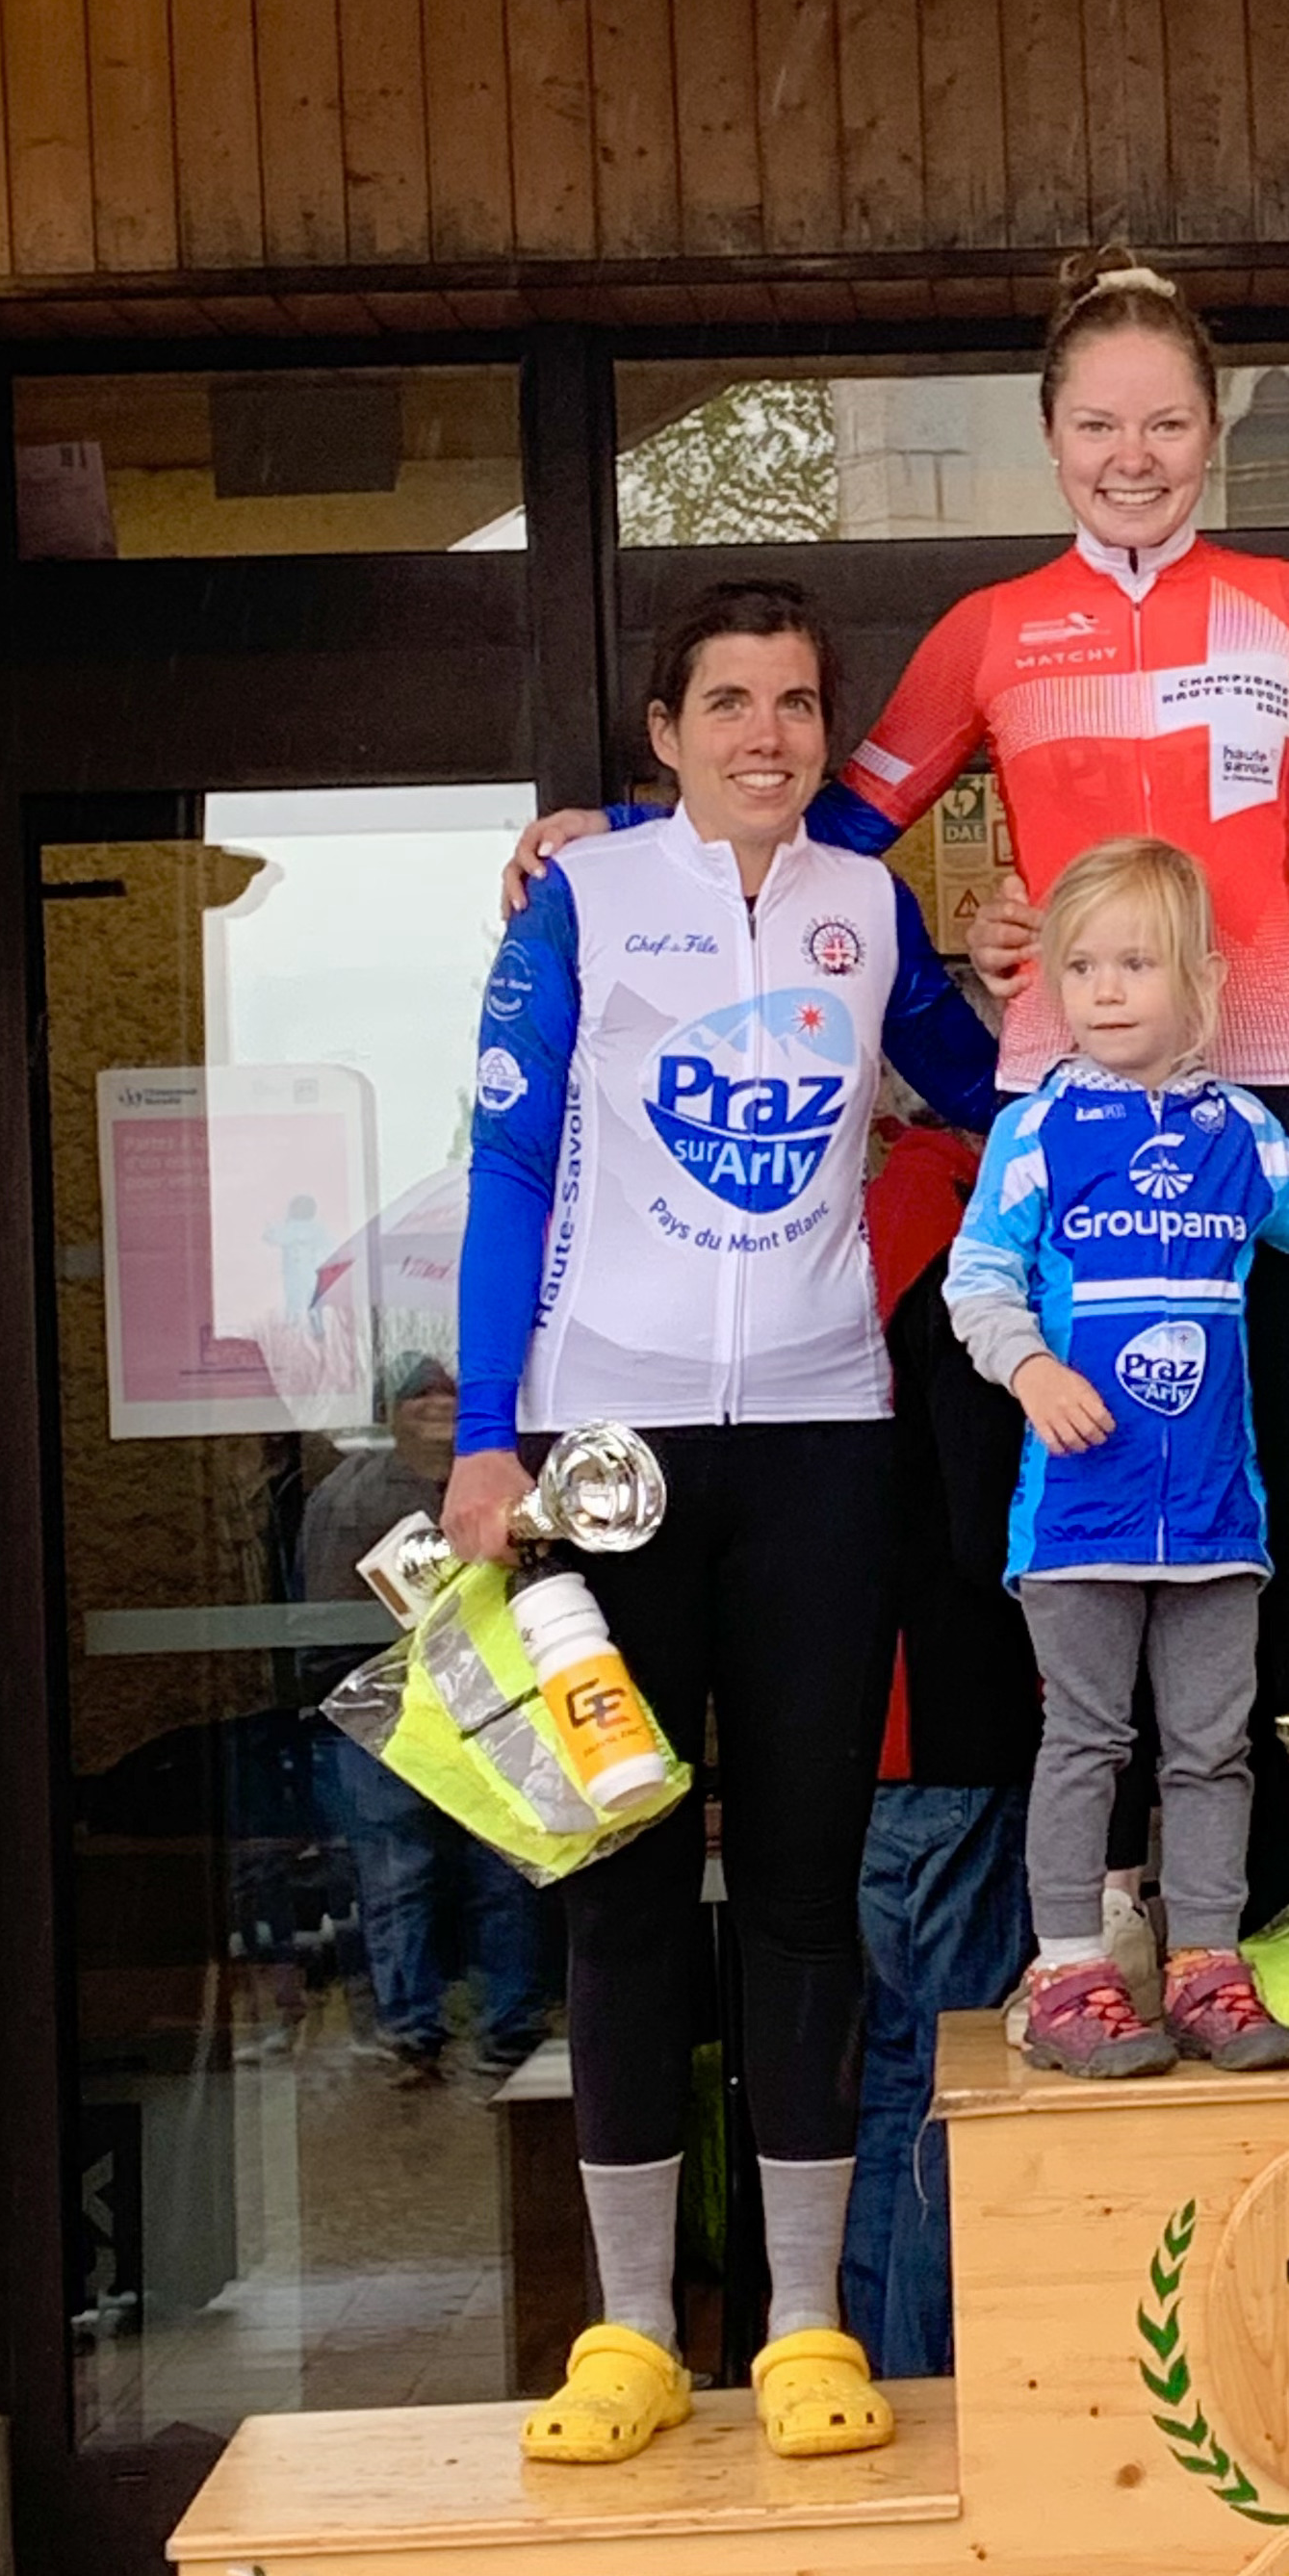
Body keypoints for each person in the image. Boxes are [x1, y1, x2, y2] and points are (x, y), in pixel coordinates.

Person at [503, 249, 1289, 1918]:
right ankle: (1104, 1911)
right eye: (1098, 424)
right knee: (1068, 1521)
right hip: (1061, 1116)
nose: (1133, 455)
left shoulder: (1288, 612)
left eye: (1165, 421)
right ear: (1048, 435)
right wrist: (617, 833)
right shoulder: (987, 635)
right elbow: (813, 839)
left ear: (1212, 429)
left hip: (1277, 1098)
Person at [449, 577, 998, 2463]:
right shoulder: (582, 901)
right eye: (728, 703)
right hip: (604, 1447)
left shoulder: (866, 906)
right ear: (663, 733)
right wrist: (484, 1429)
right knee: (611, 1887)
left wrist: (1041, 969)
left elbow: (986, 1079)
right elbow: (511, 1162)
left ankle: (800, 2319)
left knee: (798, 1885)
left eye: (793, 705)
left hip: (822, 1443)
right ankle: (623, 2333)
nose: (765, 733)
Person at [943, 837, 1289, 2078]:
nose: (1105, 988)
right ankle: (1074, 1968)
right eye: (1080, 966)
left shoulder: (1242, 1134)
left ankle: (1204, 1964)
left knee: (1213, 1749)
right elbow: (975, 1282)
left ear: (1199, 984)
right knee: (1084, 1743)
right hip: (1076, 1521)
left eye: (1135, 962)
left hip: (1212, 1519)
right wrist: (1031, 1369)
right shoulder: (1033, 1132)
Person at [846, 1108, 1042, 2377]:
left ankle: (864, 2351)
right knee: (954, 2077)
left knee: (888, 2071)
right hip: (959, 1720)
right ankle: (931, 2386)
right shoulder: (969, 1234)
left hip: (852, 1728)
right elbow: (983, 1534)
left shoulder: (842, 1241)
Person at [301, 1354, 553, 2089]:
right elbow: (322, 1622)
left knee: (503, 1871)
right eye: (420, 1397)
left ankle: (509, 2030)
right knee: (397, 1878)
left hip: (495, 1702)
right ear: (388, 1414)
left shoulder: (515, 1486)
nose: (437, 1407)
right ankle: (412, 2033)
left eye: (450, 1396)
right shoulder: (348, 1498)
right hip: (389, 1710)